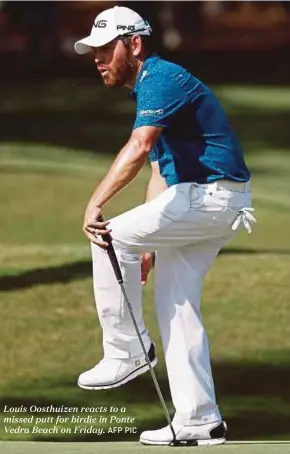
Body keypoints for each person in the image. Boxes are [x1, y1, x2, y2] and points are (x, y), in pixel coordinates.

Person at [74, 6, 256, 446]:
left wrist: (95, 204)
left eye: (105, 49)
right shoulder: (152, 89)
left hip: (212, 198)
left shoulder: (161, 77)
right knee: (176, 304)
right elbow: (159, 171)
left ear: (134, 43)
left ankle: (127, 351)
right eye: (93, 51)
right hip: (208, 203)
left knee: (107, 236)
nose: (97, 59)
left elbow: (138, 147)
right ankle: (199, 419)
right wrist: (152, 245)